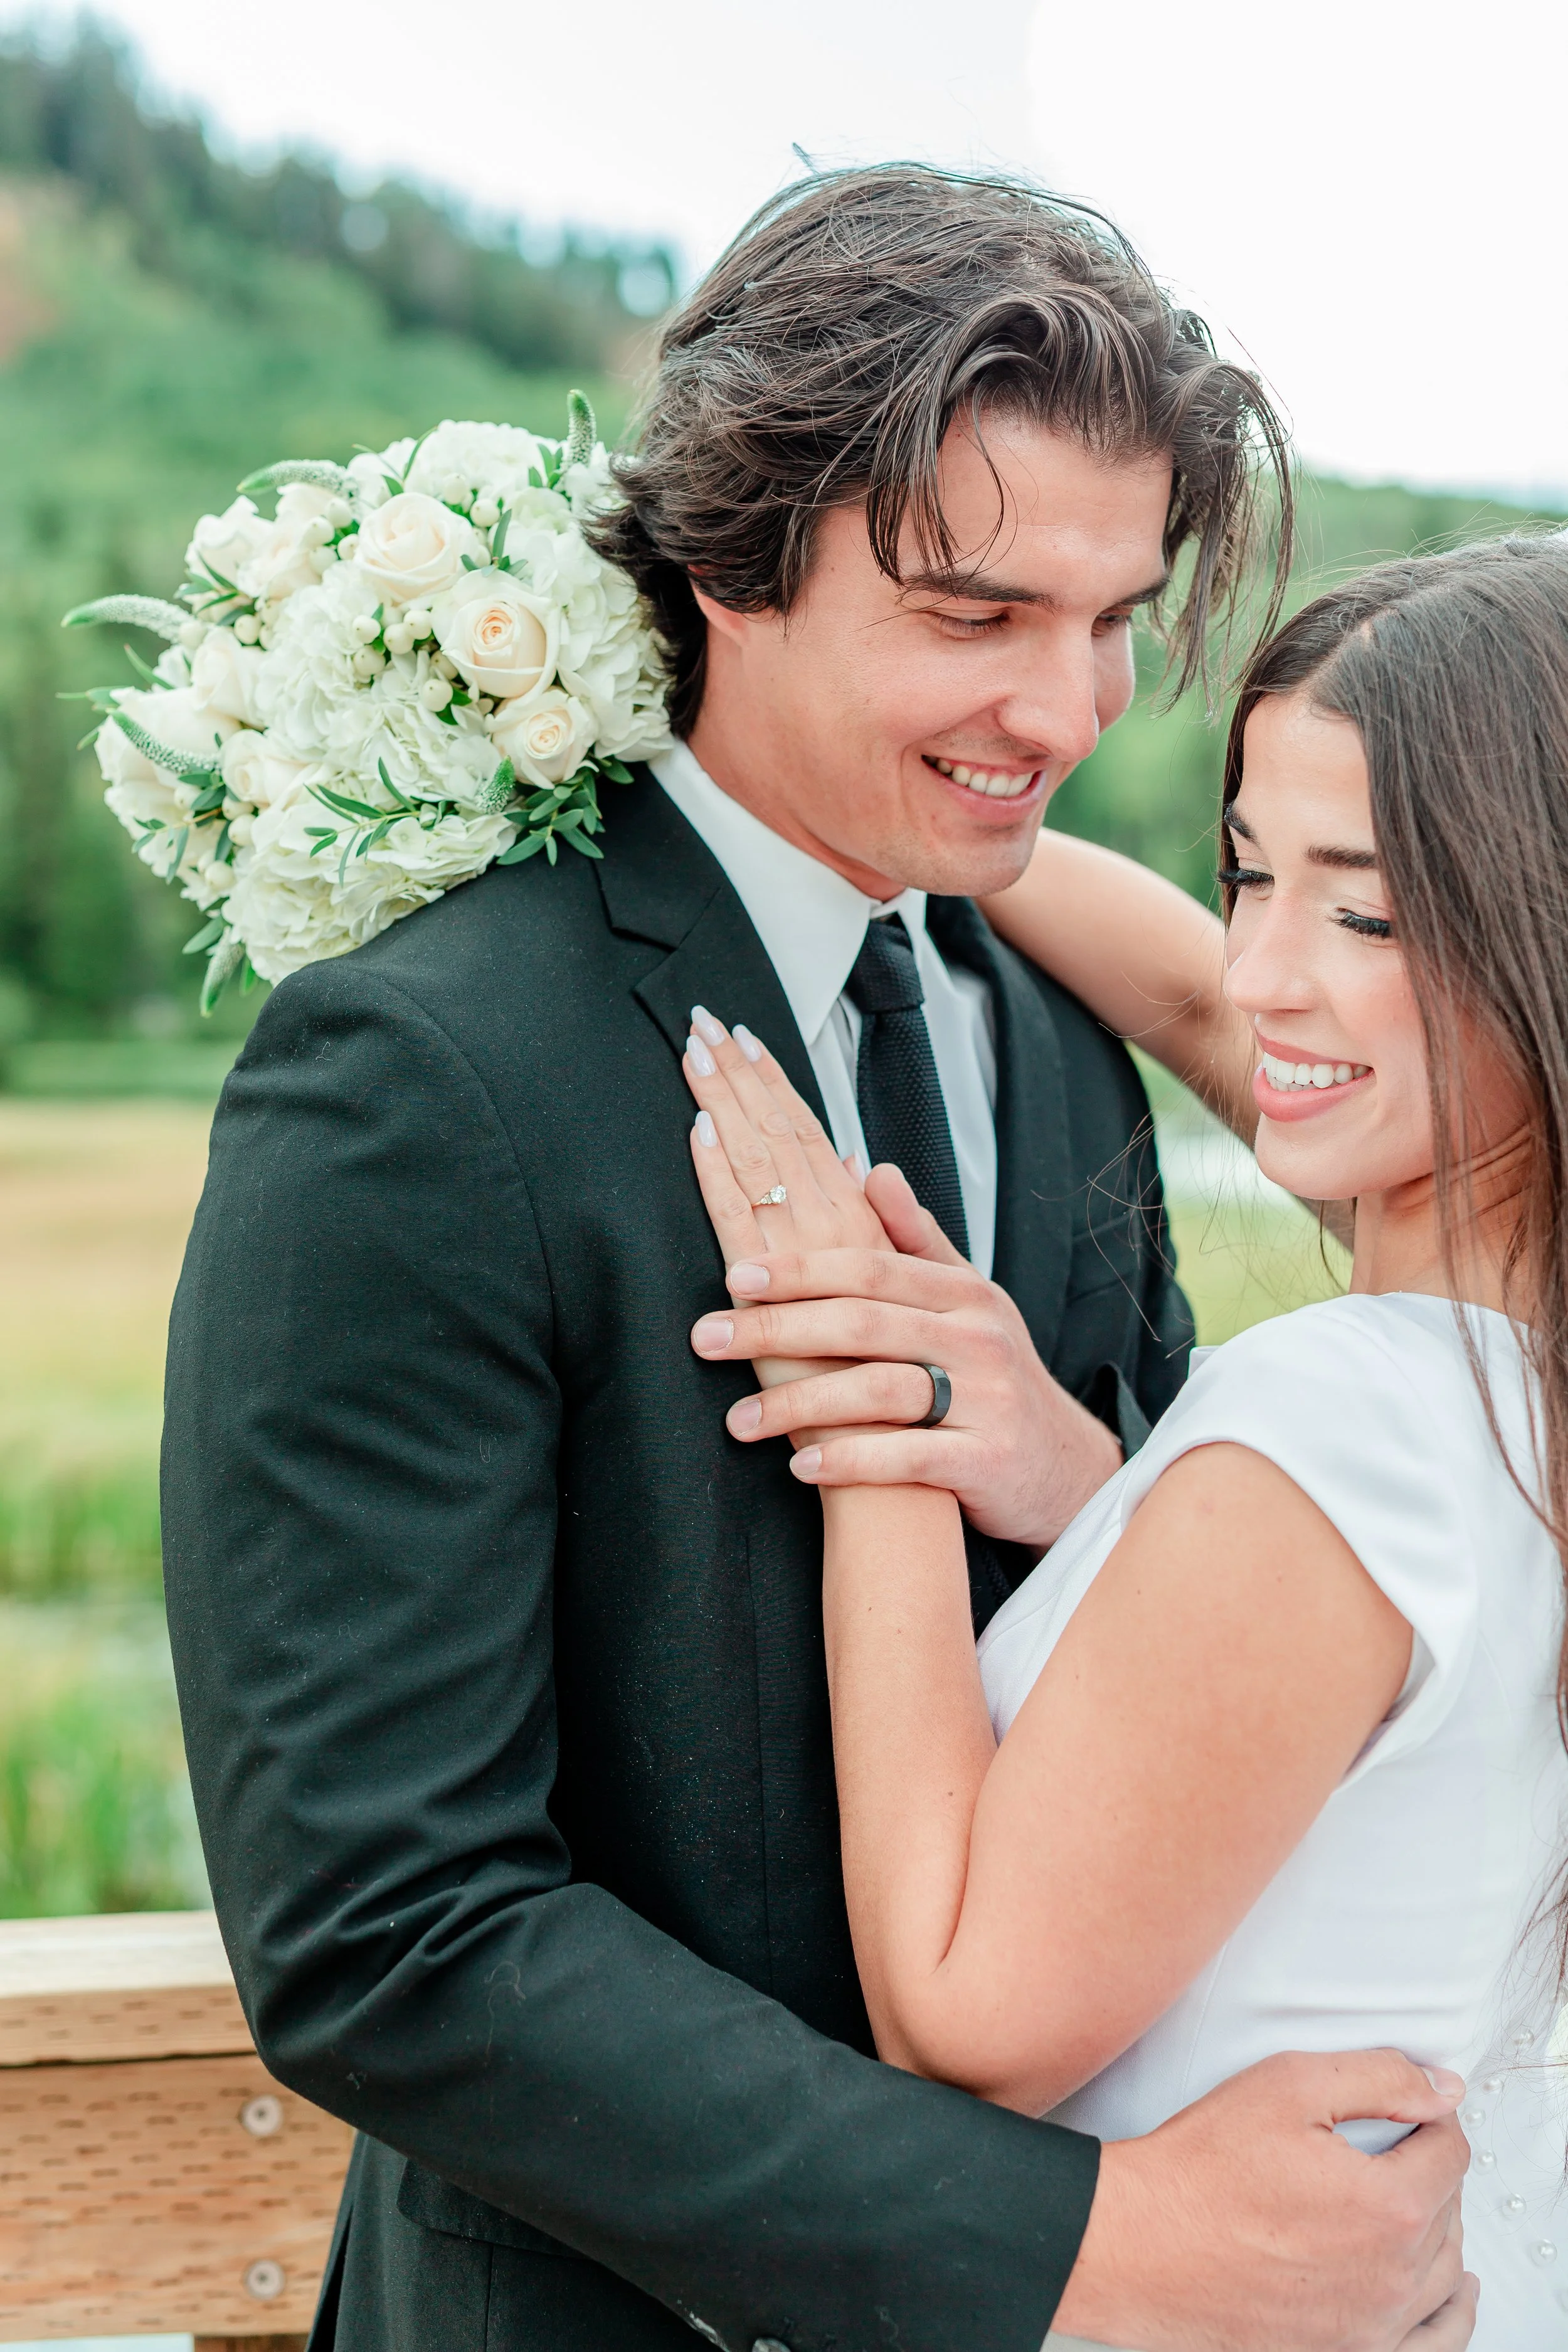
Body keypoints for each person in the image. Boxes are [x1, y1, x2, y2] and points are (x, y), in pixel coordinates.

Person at [161, 166, 1473, 2351]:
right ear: (724, 565)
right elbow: (386, 1927)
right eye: (976, 615)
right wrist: (1075, 2249)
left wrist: (1083, 1470)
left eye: (1114, 614)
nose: (1065, 710)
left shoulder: (1056, 1040)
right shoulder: (419, 1072)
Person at [681, 535, 1568, 2348]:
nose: (1259, 971)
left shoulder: (1349, 1425)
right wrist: (886, 810)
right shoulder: (1507, 1382)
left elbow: (962, 2010)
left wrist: (882, 1418)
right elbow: (1187, 995)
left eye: (1364, 910)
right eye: (1244, 872)